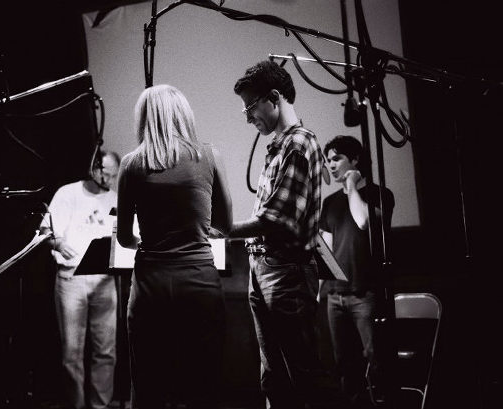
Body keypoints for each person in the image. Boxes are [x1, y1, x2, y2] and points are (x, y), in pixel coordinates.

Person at [117, 84, 233, 409]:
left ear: (145, 118)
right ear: (184, 115)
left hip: (150, 287)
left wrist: (146, 241)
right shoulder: (209, 155)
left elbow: (124, 238)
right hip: (199, 283)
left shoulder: (130, 164)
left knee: (149, 389)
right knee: (203, 388)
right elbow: (225, 226)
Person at [228, 60, 324, 409]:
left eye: (250, 107)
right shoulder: (283, 146)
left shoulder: (298, 144)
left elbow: (277, 219)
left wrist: (223, 229)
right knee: (274, 377)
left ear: (273, 98)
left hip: (285, 272)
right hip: (267, 269)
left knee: (300, 376)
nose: (247, 117)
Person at [41, 150, 121, 409]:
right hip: (71, 278)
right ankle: (76, 405)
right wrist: (58, 243)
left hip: (104, 280)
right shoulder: (68, 194)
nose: (109, 180)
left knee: (105, 350)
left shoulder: (115, 199)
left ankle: (100, 406)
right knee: (72, 353)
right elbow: (46, 232)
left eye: (114, 176)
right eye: (106, 174)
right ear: (93, 168)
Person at [319, 135, 395, 408]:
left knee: (376, 360)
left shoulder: (381, 194)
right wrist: (319, 290)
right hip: (335, 296)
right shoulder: (329, 203)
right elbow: (326, 250)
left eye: (337, 158)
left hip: (366, 293)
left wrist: (351, 185)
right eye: (328, 160)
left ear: (354, 160)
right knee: (344, 364)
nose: (331, 165)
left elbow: (363, 221)